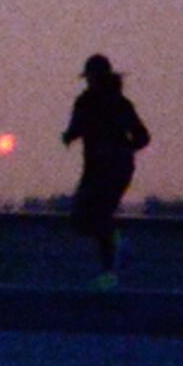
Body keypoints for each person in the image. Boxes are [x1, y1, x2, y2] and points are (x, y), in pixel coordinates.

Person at [62, 54, 150, 290]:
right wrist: (124, 149)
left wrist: (69, 136)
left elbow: (75, 129)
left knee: (82, 218)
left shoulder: (87, 101)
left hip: (99, 168)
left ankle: (118, 245)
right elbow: (142, 137)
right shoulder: (121, 103)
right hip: (121, 167)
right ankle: (110, 271)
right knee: (100, 216)